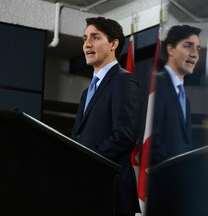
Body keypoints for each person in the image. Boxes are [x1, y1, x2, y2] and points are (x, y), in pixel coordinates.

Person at [71, 17, 141, 216]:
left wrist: (88, 160)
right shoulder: (87, 92)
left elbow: (124, 136)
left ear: (113, 43)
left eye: (95, 37)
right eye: (85, 39)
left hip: (112, 193)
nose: (87, 44)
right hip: (86, 191)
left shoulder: (124, 81)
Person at [150, 25, 201, 166]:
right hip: (159, 177)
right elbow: (151, 138)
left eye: (197, 48)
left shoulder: (186, 101)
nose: (194, 54)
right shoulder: (155, 83)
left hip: (179, 180)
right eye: (188, 46)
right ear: (171, 49)